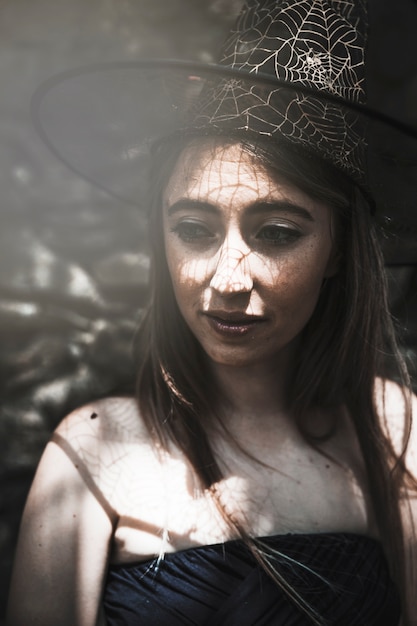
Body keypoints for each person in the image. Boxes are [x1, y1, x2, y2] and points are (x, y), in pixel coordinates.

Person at [6, 0, 417, 624]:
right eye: (193, 228)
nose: (226, 280)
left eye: (277, 233)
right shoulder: (92, 450)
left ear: (338, 249)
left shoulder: (394, 433)